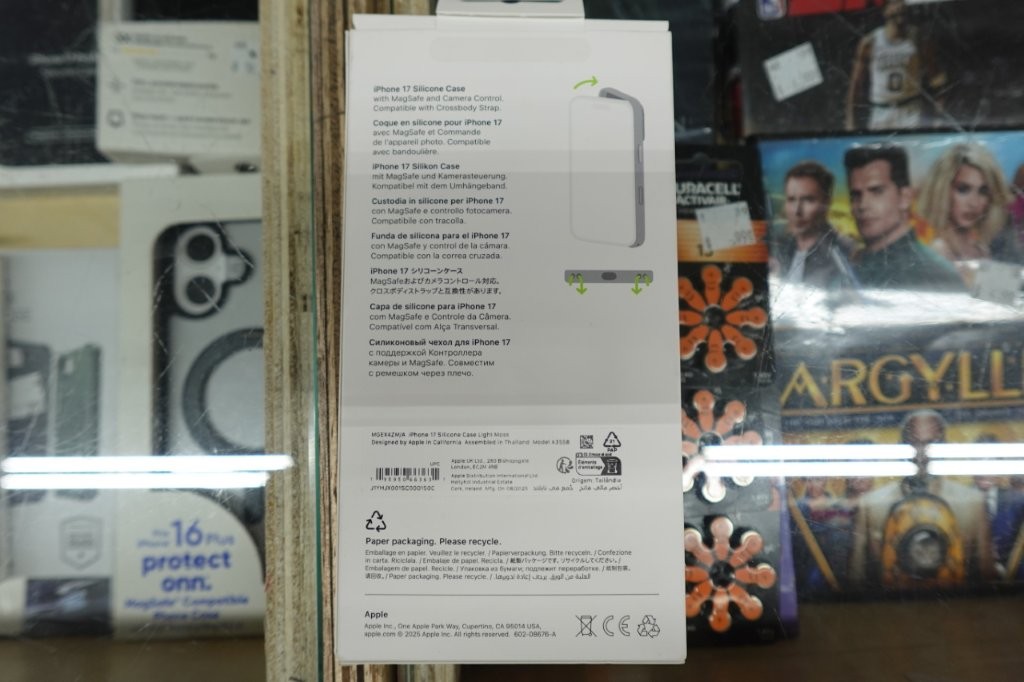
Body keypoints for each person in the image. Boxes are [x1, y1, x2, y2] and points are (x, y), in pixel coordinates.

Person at [848, 410, 995, 590]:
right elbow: (855, 580)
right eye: (913, 444)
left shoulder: (973, 503)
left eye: (930, 444)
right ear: (901, 447)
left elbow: (988, 579)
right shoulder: (871, 505)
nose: (921, 455)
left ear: (945, 447)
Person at [844, 144, 966, 292]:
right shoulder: (849, 268)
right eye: (856, 195)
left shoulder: (936, 275)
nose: (863, 205)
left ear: (905, 197)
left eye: (876, 191)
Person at [845, 0, 946, 131]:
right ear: (885, 10)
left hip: (910, 109)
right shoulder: (870, 41)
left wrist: (939, 113)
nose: (899, 6)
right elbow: (856, 84)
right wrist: (850, 121)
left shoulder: (918, 37)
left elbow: (936, 78)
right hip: (880, 110)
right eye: (894, 3)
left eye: (901, 2)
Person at [918, 144, 1019, 273]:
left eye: (983, 191)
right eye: (963, 189)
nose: (974, 203)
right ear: (942, 191)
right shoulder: (937, 253)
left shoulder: (981, 250)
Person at [772, 161, 858, 289]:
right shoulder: (777, 248)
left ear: (826, 203)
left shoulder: (844, 250)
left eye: (808, 200)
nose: (797, 211)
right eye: (791, 199)